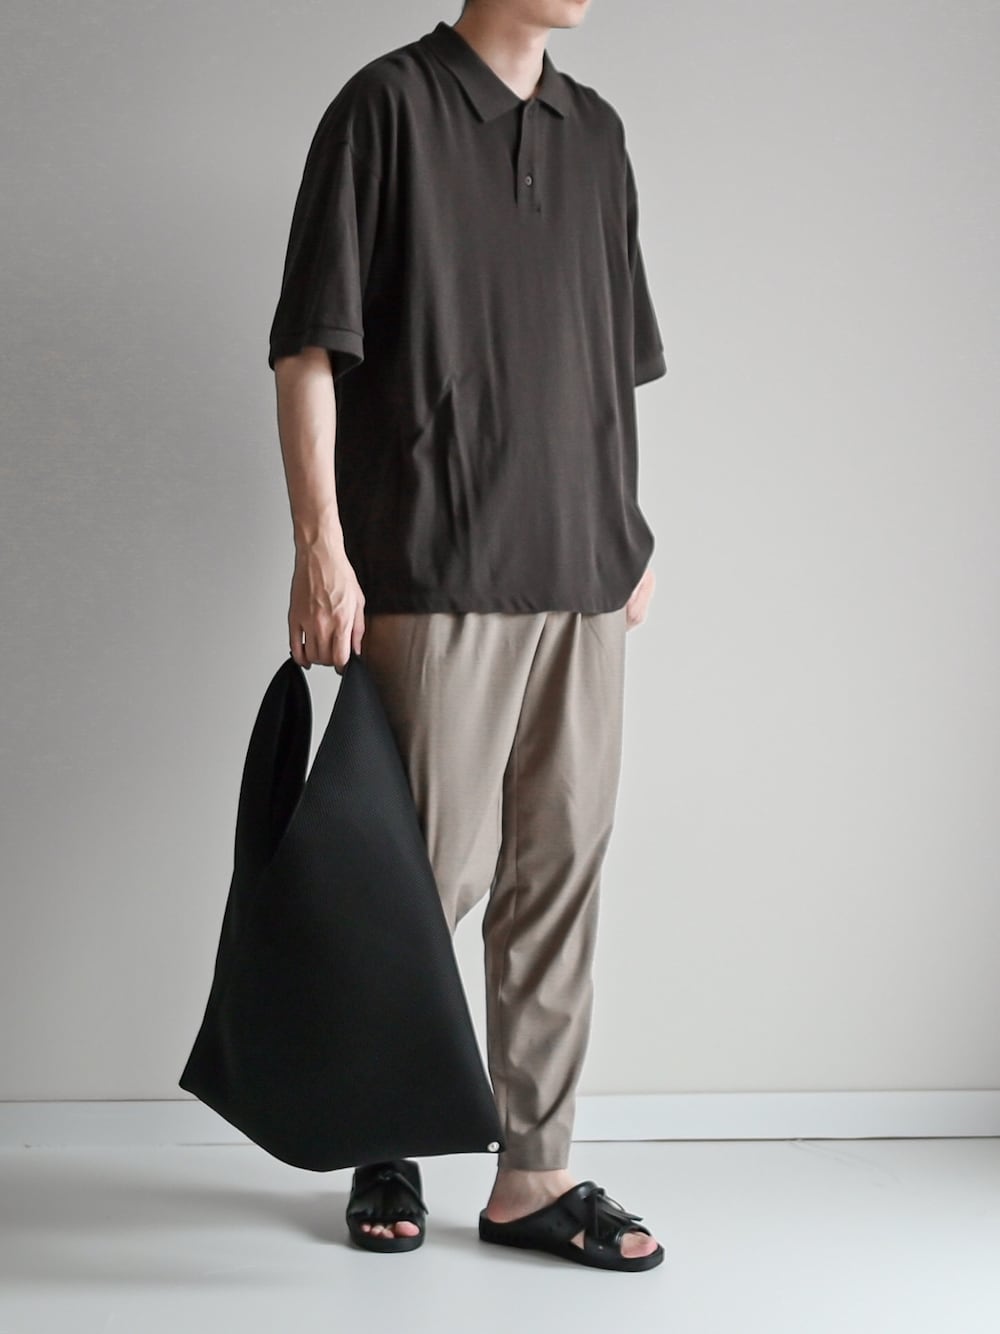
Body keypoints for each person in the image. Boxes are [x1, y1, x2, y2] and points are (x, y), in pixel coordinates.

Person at [267, 0, 667, 1273]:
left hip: (584, 574)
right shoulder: (385, 108)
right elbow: (308, 349)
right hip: (435, 567)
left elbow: (607, 359)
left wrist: (628, 531)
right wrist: (321, 545)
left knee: (559, 877)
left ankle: (531, 1174)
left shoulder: (596, 134)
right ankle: (377, 1137)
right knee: (416, 880)